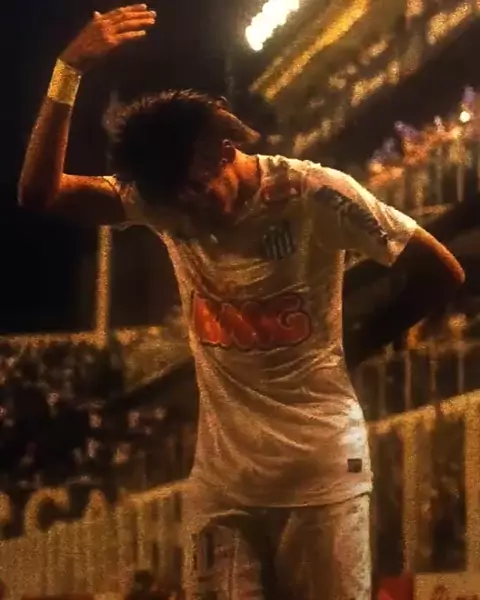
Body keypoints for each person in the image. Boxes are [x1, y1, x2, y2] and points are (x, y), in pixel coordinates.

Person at [19, 6, 465, 599]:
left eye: (196, 195)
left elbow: (440, 269)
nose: (189, 219)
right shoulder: (161, 198)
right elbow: (40, 194)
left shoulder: (313, 194)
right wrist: (67, 71)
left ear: (224, 151)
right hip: (224, 488)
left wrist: (362, 342)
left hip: (321, 478)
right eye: (172, 208)